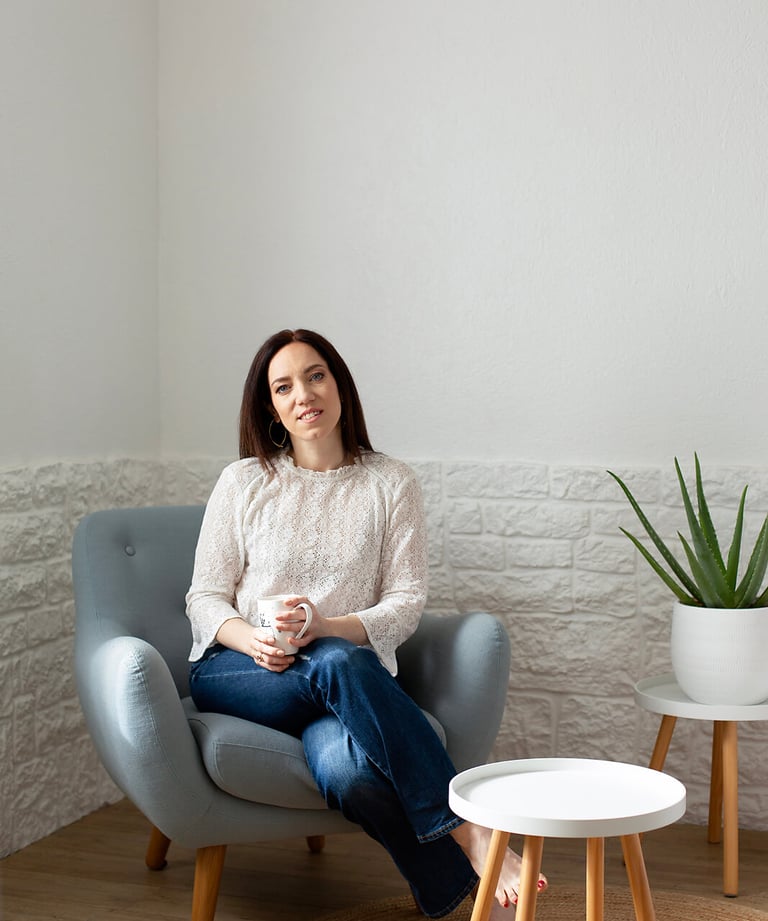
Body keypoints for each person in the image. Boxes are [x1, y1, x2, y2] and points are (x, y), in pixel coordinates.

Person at [186, 328, 546, 918]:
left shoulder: (389, 482)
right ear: (271, 407)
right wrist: (249, 638)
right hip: (240, 672)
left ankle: (458, 901)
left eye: (315, 375)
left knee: (350, 772)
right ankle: (467, 830)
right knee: (336, 663)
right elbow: (203, 598)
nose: (303, 393)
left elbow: (405, 602)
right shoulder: (244, 481)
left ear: (340, 386)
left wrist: (326, 625)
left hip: (342, 680)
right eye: (284, 386)